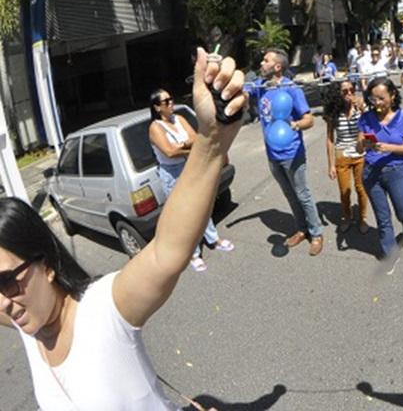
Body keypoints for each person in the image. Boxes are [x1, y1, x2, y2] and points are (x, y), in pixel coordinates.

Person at [0, 49, 245, 409]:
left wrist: (210, 141)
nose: (4, 302)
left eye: (7, 280)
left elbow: (165, 252)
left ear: (47, 264)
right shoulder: (25, 321)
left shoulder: (101, 310)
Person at [246, 49, 325, 256]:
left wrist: (296, 125)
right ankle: (301, 229)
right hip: (272, 154)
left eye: (266, 60)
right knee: (290, 195)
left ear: (277, 67)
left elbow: (310, 119)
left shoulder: (291, 89)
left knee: (302, 194)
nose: (261, 63)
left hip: (292, 153)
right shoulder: (261, 87)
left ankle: (316, 233)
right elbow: (240, 90)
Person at [148, 88, 234, 273]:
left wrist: (184, 145)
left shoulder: (179, 119)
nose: (171, 103)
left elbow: (195, 138)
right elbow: (169, 152)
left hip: (188, 166)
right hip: (171, 174)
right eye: (166, 102)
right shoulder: (155, 127)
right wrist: (186, 146)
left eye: (171, 99)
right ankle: (193, 254)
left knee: (200, 205)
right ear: (157, 108)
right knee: (184, 215)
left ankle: (213, 239)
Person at [356, 77, 403, 267]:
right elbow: (359, 149)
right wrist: (363, 143)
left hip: (396, 172)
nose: (377, 103)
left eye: (381, 98)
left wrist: (388, 147)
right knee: (383, 218)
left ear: (392, 96)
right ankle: (389, 254)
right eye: (373, 99)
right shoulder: (366, 118)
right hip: (371, 173)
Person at [323, 80, 370, 235]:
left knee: (361, 189)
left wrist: (362, 110)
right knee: (345, 191)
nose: (350, 93)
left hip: (360, 153)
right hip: (342, 154)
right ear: (339, 95)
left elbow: (371, 127)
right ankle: (347, 217)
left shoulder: (361, 108)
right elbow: (329, 139)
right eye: (345, 91)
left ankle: (363, 218)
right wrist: (330, 165)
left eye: (352, 89)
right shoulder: (333, 113)